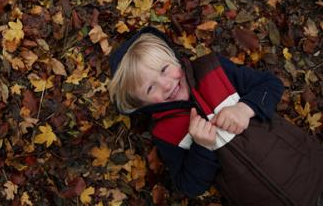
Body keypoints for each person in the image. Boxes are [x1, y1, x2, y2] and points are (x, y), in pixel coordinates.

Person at [108, 26, 323, 206]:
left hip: (310, 167)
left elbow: (270, 84)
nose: (166, 85)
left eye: (164, 69)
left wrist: (244, 109)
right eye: (149, 89)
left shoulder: (213, 69)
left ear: (174, 58)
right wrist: (202, 147)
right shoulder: (165, 132)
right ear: (141, 104)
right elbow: (189, 186)